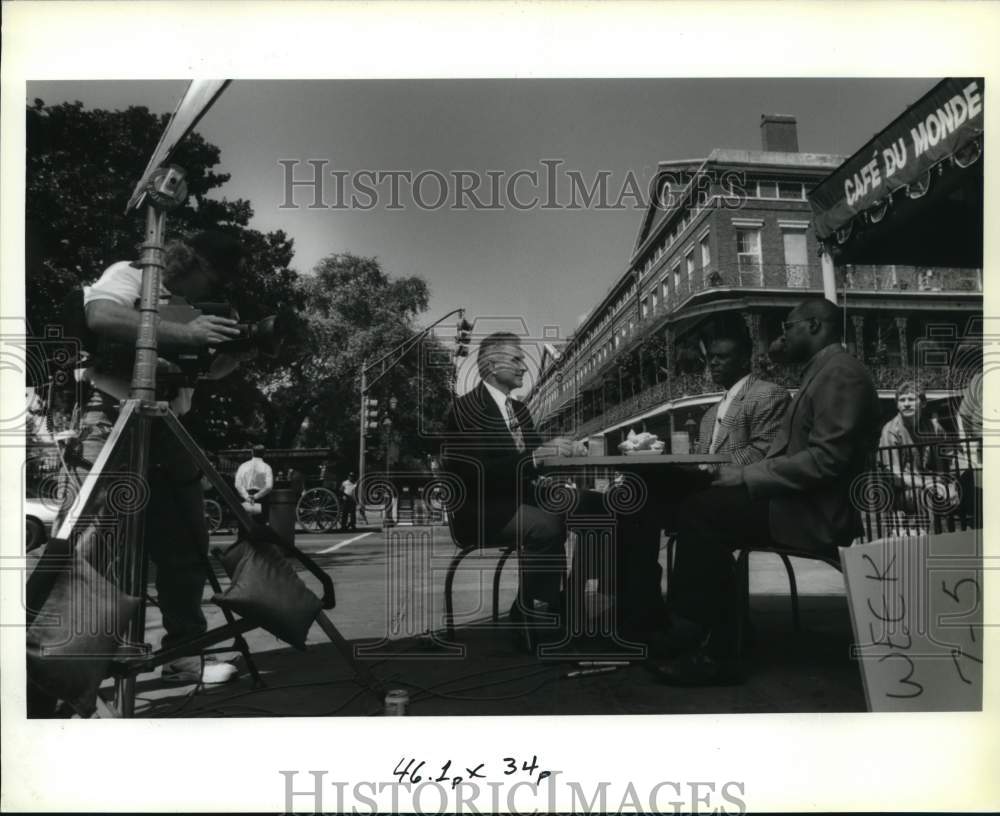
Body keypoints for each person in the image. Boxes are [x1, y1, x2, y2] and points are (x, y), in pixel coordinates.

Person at [652, 298, 881, 686]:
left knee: (704, 511)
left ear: (814, 325)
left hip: (816, 513)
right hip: (797, 502)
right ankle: (709, 630)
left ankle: (710, 644)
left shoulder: (841, 374)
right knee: (694, 504)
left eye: (788, 327)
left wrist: (745, 477)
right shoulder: (822, 372)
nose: (781, 336)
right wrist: (741, 475)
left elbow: (826, 461)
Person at [58, 231, 248, 687]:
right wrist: (186, 331)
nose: (215, 289)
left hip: (168, 423)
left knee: (184, 548)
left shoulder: (200, 308)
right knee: (94, 546)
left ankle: (183, 654)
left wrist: (237, 351)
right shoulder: (131, 276)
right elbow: (100, 315)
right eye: (214, 278)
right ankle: (71, 663)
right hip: (113, 415)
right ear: (193, 262)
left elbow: (205, 369)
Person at [613, 328, 789, 638]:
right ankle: (641, 608)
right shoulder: (709, 414)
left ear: (744, 359)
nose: (714, 365)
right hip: (709, 488)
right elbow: (699, 458)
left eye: (724, 357)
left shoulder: (768, 393)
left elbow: (763, 452)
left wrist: (707, 468)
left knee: (653, 493)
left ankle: (684, 620)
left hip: (743, 495)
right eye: (711, 359)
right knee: (634, 495)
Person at [441, 332, 578, 630]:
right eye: (516, 360)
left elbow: (538, 460)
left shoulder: (519, 410)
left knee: (600, 507)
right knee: (546, 525)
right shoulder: (465, 410)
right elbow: (476, 472)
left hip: (522, 502)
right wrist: (535, 457)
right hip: (481, 510)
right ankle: (536, 615)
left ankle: (591, 600)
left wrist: (567, 452)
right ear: (491, 364)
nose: (524, 367)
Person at [877, 380, 954, 529]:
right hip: (902, 492)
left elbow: (950, 460)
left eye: (911, 399)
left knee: (966, 489)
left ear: (923, 403)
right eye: (902, 400)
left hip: (934, 484)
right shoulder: (891, 431)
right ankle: (932, 544)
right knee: (925, 495)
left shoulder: (933, 427)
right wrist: (928, 484)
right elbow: (895, 476)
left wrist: (952, 485)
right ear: (897, 405)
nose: (906, 404)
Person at [234, 445, 274, 523]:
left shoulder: (243, 466)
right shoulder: (267, 467)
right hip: (261, 498)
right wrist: (255, 496)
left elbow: (237, 484)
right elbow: (269, 486)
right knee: (260, 524)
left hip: (245, 497)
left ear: (252, 453)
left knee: (244, 524)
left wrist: (246, 496)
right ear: (264, 454)